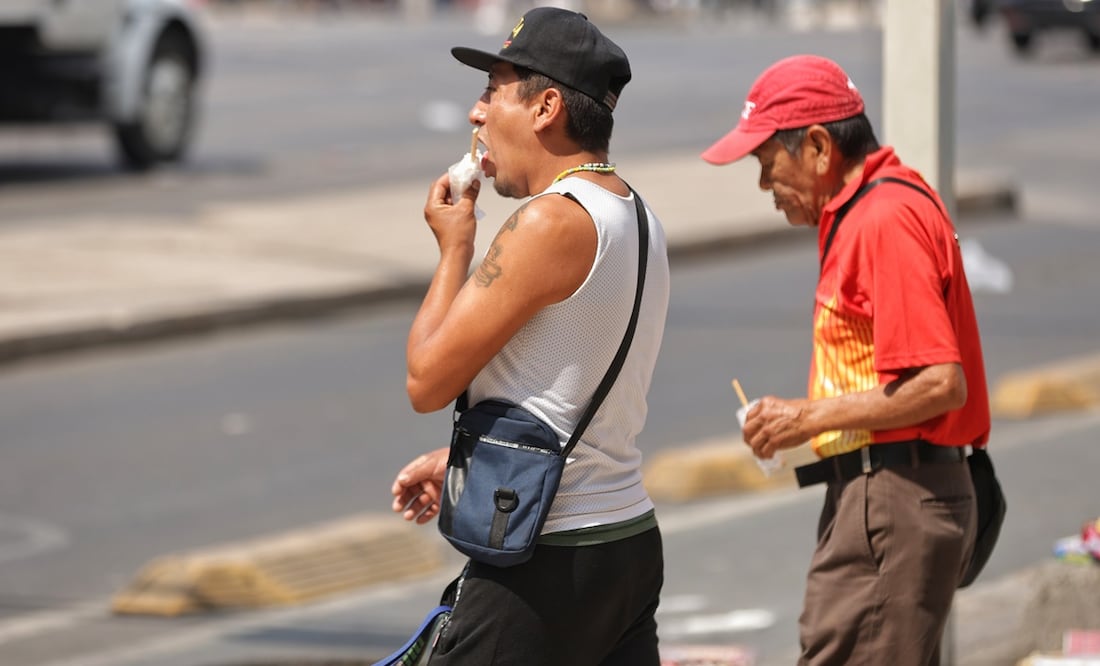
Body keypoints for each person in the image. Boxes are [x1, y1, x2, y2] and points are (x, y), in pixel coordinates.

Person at [389, 7, 670, 665]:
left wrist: (455, 246)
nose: (476, 114)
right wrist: (470, 457)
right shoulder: (638, 216)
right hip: (624, 544)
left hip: (547, 558)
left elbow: (427, 380)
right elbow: (569, 385)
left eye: (493, 90)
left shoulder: (550, 222)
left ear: (546, 107)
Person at [701, 54, 991, 665]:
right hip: (883, 493)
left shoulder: (883, 217)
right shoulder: (863, 212)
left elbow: (940, 383)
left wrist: (807, 419)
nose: (763, 185)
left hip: (894, 498)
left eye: (765, 163)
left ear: (816, 146)